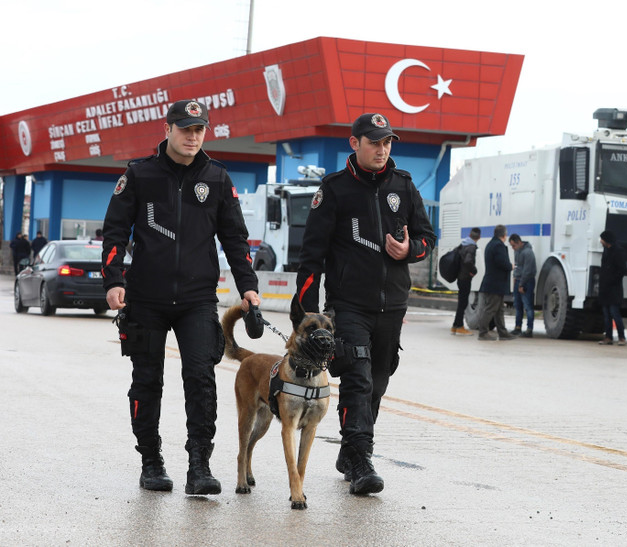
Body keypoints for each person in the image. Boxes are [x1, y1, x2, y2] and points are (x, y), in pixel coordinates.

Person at [101, 99, 260, 495]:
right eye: (185, 129)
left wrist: (249, 287)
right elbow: (115, 232)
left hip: (196, 299)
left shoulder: (218, 178)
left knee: (201, 380)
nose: (193, 136)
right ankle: (151, 461)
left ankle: (199, 465)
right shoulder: (140, 174)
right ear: (168, 128)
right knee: (147, 382)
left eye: (199, 129)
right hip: (146, 299)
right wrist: (113, 280)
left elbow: (235, 240)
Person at [295, 112, 436, 496]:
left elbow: (427, 238)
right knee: (356, 377)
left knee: (376, 381)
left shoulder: (403, 186)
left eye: (387, 142)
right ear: (354, 143)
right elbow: (312, 256)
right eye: (374, 142)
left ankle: (350, 451)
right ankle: (360, 460)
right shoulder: (335, 189)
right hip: (348, 305)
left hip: (393, 306)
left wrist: (410, 249)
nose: (382, 149)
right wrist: (307, 316)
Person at [476, 224, 515, 341]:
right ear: (504, 235)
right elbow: (501, 262)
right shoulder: (498, 246)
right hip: (495, 283)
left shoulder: (490, 244)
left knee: (499, 310)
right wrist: (510, 266)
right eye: (506, 234)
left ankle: (502, 332)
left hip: (494, 282)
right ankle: (482, 332)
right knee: (491, 308)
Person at [598, 230, 627, 345]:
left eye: (602, 239)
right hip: (605, 289)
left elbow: (622, 270)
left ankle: (622, 337)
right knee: (606, 315)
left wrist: (611, 280)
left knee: (615, 313)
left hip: (614, 289)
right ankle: (608, 337)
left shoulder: (619, 251)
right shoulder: (606, 251)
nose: (601, 241)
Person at [451, 227, 480, 335]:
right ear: (479, 237)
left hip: (460, 277)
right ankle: (460, 326)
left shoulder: (463, 244)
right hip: (465, 278)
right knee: (463, 303)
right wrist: (474, 270)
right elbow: (468, 261)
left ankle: (455, 325)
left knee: (461, 303)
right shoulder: (471, 247)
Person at [509, 233, 535, 338]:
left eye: (514, 245)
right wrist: (515, 280)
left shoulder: (528, 253)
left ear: (519, 242)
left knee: (528, 306)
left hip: (526, 281)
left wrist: (522, 284)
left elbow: (528, 271)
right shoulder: (517, 252)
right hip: (518, 281)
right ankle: (518, 327)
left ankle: (529, 329)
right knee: (518, 305)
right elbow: (517, 267)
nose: (513, 248)